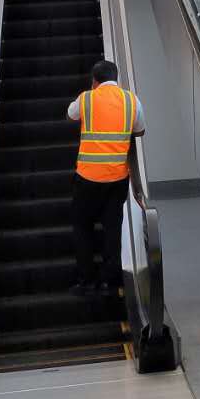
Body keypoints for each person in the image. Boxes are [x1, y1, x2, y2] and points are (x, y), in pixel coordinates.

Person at [67, 60, 145, 297]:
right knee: (112, 227)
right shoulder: (131, 100)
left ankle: (87, 280)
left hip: (87, 177)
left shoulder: (86, 98)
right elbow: (140, 130)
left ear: (94, 80)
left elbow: (70, 115)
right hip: (117, 178)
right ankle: (110, 282)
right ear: (116, 77)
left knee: (82, 226)